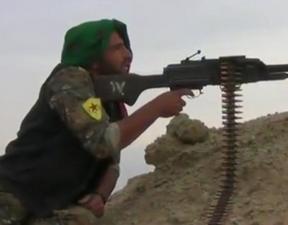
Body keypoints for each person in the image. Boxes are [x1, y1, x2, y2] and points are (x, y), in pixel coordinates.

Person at [0, 18, 193, 225]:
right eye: (117, 48)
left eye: (126, 47)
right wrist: (157, 107)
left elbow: (112, 162)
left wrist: (100, 195)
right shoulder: (69, 79)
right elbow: (102, 141)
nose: (127, 54)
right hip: (12, 196)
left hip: (47, 205)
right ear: (93, 57)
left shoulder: (109, 101)